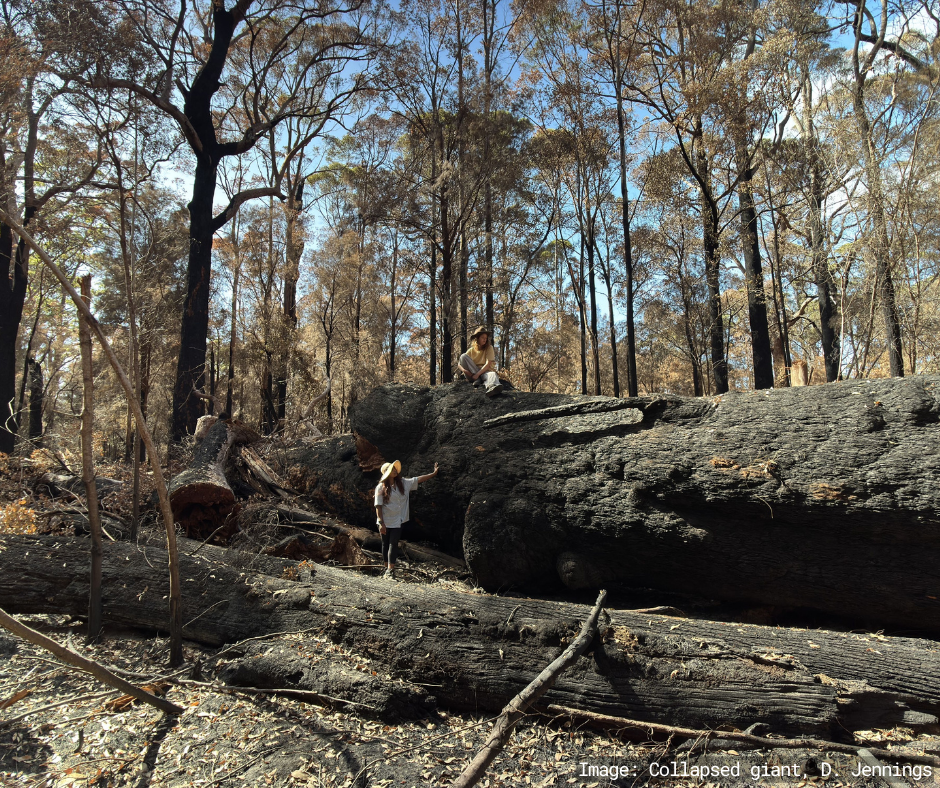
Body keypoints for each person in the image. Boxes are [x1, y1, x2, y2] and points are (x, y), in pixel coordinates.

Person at [374, 459, 439, 578]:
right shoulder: (380, 488)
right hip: (385, 520)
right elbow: (378, 506)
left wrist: (433, 474)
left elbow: (418, 479)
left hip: (398, 520)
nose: (394, 471)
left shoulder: (403, 483)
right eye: (391, 470)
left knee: (393, 543)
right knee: (385, 544)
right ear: (386, 473)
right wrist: (381, 523)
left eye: (395, 469)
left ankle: (390, 570)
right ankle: (385, 567)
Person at [458, 326, 503, 397]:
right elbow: (459, 364)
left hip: (485, 372)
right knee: (463, 356)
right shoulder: (471, 350)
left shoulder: (489, 348)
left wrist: (477, 374)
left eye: (486, 338)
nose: (485, 340)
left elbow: (488, 364)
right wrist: (465, 371)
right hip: (473, 373)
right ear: (477, 338)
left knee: (492, 374)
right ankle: (478, 380)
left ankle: (493, 388)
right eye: (482, 337)